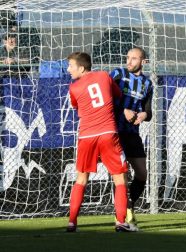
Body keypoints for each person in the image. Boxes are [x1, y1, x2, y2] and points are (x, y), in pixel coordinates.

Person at [66, 52, 136, 232]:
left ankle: (72, 222)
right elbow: (118, 94)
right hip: (107, 133)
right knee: (119, 178)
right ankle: (121, 222)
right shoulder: (104, 76)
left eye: (71, 66)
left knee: (81, 178)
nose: (68, 70)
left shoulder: (73, 88)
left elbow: (77, 106)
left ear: (81, 68)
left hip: (86, 136)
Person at [110, 47, 152, 231]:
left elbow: (148, 111)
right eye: (128, 57)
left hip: (133, 134)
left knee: (142, 174)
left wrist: (144, 115)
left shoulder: (147, 84)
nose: (129, 61)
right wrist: (123, 111)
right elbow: (106, 100)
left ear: (144, 62)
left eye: (134, 58)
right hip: (114, 132)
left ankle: (128, 206)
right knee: (122, 175)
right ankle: (122, 215)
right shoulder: (118, 74)